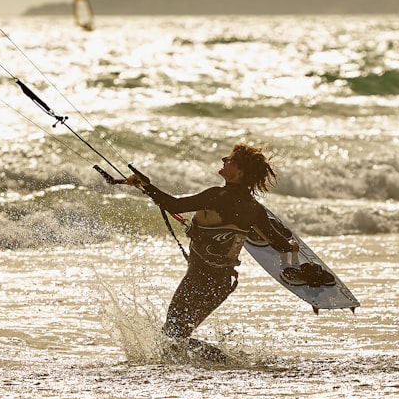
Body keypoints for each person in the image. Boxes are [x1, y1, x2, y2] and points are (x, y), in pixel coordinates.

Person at [123, 142, 304, 344]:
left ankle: (221, 362)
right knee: (177, 336)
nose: (224, 161)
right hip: (221, 285)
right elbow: (279, 244)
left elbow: (173, 205)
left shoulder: (217, 196)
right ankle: (220, 363)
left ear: (239, 172)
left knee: (172, 337)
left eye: (230, 160)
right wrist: (292, 247)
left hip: (198, 279)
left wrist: (146, 186)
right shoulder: (255, 209)